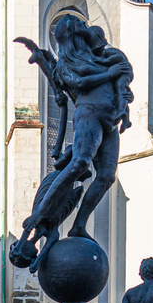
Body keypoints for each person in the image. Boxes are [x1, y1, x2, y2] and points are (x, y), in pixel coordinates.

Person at [11, 14, 133, 269]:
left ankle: (79, 225)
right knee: (78, 163)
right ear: (70, 33)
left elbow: (119, 76)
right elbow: (78, 83)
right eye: (80, 26)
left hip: (109, 120)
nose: (84, 28)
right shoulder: (67, 62)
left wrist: (122, 100)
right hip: (88, 115)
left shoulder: (99, 56)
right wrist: (110, 73)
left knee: (107, 176)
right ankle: (39, 214)